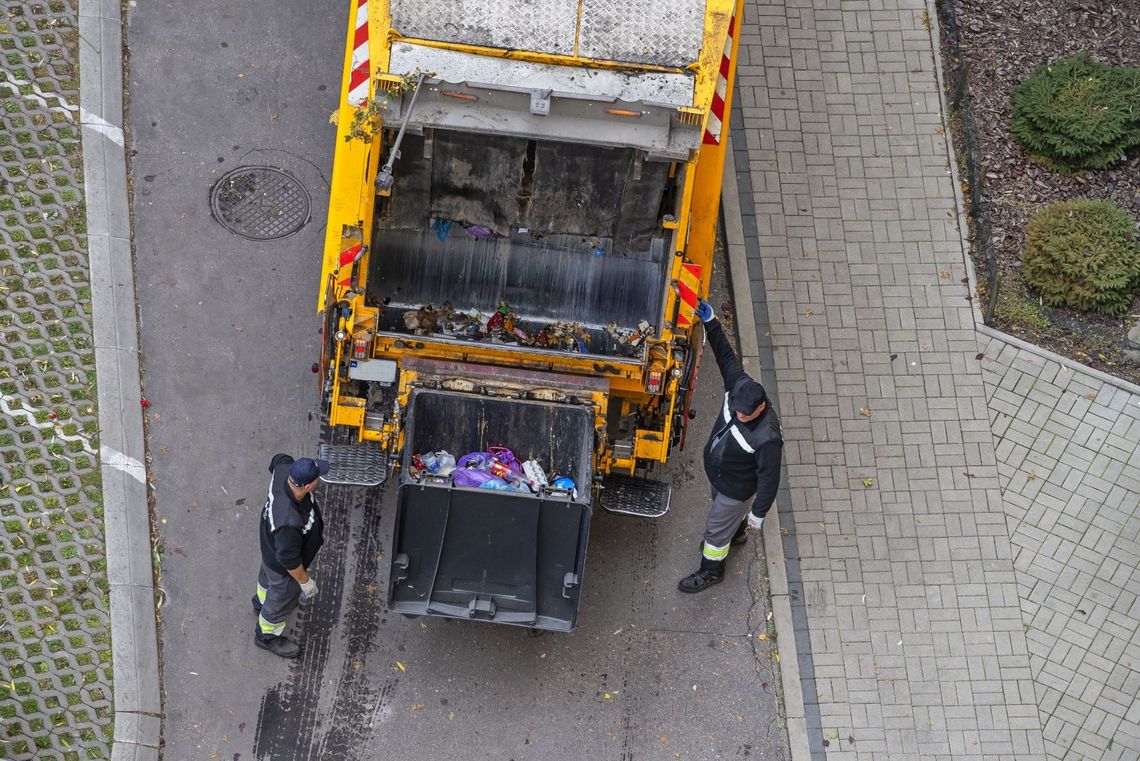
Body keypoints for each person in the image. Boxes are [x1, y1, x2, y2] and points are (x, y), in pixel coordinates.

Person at [678, 300, 783, 593]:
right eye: (736, 409)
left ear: (760, 408)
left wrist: (758, 513)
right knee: (724, 521)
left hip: (735, 490)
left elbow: (770, 478)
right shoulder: (739, 387)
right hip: (722, 477)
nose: (738, 415)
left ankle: (711, 569)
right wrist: (711, 321)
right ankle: (735, 534)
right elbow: (725, 356)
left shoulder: (767, 437)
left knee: (714, 531)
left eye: (744, 414)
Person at [253, 454, 329, 658]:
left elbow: (279, 458)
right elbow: (289, 560)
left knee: (266, 581)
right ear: (306, 486)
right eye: (317, 478)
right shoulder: (289, 521)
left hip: (269, 549)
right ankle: (267, 635)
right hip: (283, 568)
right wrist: (305, 582)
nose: (319, 480)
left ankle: (260, 603)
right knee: (281, 596)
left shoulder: (283, 471)